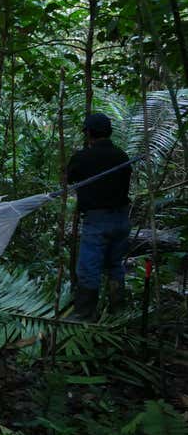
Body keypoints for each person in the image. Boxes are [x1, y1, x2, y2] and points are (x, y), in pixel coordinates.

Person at [67, 113, 132, 321]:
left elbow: (69, 178)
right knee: (115, 264)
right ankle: (117, 310)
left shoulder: (82, 157)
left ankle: (84, 314)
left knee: (89, 268)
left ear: (88, 133)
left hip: (97, 221)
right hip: (122, 219)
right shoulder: (122, 156)